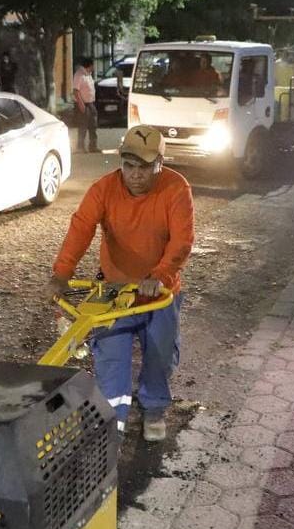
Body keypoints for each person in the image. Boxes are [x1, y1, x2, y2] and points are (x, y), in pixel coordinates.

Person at [47, 125, 194, 441]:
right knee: (111, 357)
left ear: (160, 164)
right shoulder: (104, 189)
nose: (135, 174)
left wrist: (159, 276)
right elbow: (81, 229)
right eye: (129, 165)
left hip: (159, 292)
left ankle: (153, 408)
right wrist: (61, 273)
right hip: (114, 289)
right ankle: (112, 425)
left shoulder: (176, 189)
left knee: (160, 354)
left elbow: (182, 242)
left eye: (144, 167)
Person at [73, 56, 98, 153]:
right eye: (93, 65)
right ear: (89, 65)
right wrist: (81, 104)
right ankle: (80, 147)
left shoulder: (88, 74)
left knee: (93, 126)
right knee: (83, 126)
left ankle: (93, 146)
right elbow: (76, 91)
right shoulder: (79, 75)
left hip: (91, 103)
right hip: (84, 104)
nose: (94, 67)